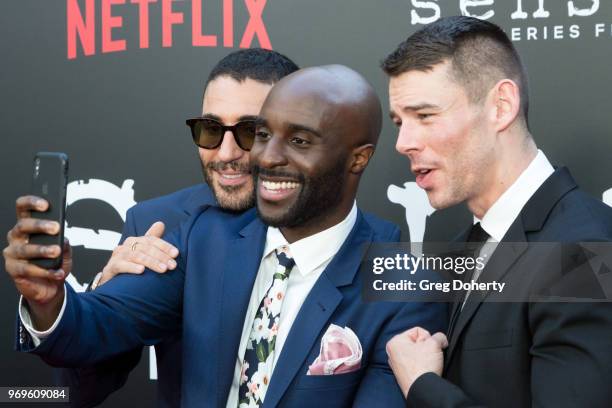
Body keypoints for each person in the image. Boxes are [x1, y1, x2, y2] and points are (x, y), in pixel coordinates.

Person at [10, 65, 447, 407]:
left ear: (358, 159)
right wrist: (49, 302)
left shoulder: (401, 286)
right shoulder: (206, 234)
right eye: (263, 135)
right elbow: (99, 328)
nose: (266, 157)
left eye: (298, 140)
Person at [4, 48, 299, 407]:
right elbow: (81, 391)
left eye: (250, 132)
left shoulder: (359, 238)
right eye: (210, 129)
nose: (225, 153)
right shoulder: (157, 226)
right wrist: (67, 302)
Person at [382, 16, 612, 407]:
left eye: (424, 116)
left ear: (501, 107)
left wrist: (423, 384)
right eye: (399, 122)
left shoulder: (583, 248)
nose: (403, 142)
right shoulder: (463, 248)